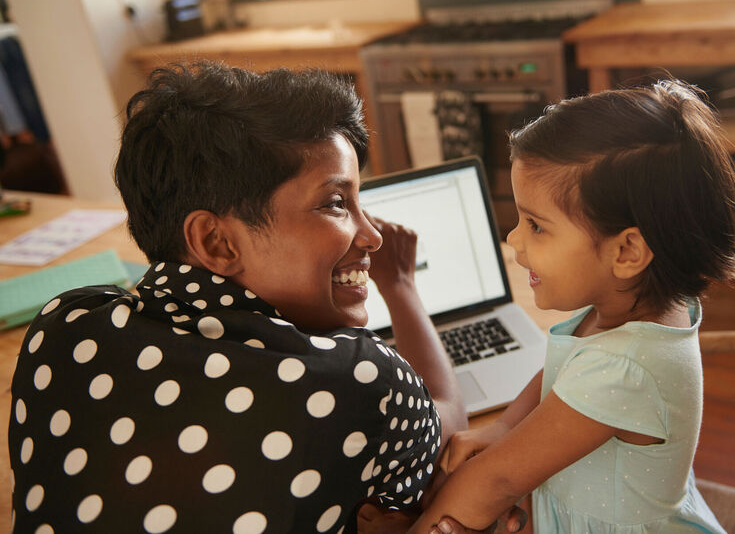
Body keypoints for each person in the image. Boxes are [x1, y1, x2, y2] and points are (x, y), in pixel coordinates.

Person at [8, 62, 472, 534]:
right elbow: (450, 431)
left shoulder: (62, 326)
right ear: (215, 242)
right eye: (336, 202)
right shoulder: (359, 378)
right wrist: (401, 287)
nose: (371, 235)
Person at [409, 80, 735, 534]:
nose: (514, 240)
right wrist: (504, 426)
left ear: (627, 252)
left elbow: (497, 480)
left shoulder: (624, 369)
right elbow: (562, 371)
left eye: (536, 226)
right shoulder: (628, 305)